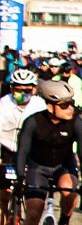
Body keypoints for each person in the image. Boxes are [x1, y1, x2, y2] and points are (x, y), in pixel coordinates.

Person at [13, 80, 82, 225]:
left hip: (62, 167)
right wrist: (20, 178)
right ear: (50, 107)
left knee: (69, 190)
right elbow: (22, 152)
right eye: (64, 105)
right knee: (33, 213)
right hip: (38, 167)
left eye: (71, 104)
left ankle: (64, 222)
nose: (70, 109)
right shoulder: (33, 122)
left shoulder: (76, 123)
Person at [0, 68, 45, 213]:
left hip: (30, 152)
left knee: (33, 195)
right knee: (3, 196)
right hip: (7, 151)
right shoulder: (3, 104)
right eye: (18, 90)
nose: (23, 94)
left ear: (34, 89)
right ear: (11, 88)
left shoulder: (40, 105)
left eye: (27, 90)